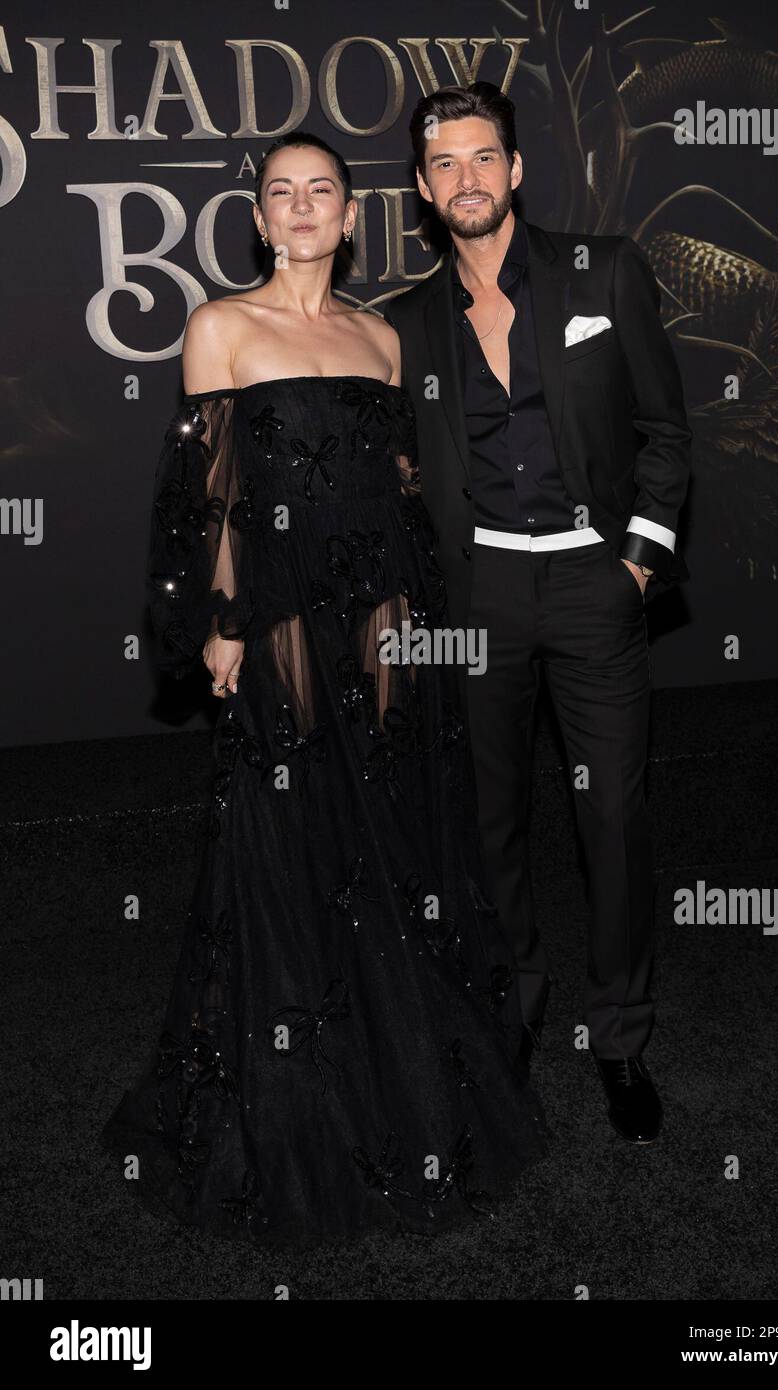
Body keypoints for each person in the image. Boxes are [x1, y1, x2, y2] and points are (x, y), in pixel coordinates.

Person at [100, 131, 549, 1251]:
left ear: (352, 219)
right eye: (279, 194)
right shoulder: (219, 327)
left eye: (321, 193)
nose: (300, 209)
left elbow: (400, 487)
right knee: (289, 844)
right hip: (283, 615)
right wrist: (218, 619)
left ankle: (400, 1083)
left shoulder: (381, 337)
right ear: (259, 220)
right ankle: (297, 1098)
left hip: (387, 615)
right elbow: (211, 492)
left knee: (390, 848)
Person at [383, 83, 692, 1144]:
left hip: (591, 584)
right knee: (487, 824)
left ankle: (618, 1042)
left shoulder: (601, 270)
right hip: (476, 601)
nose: (464, 178)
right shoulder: (406, 324)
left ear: (514, 170)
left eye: (482, 158)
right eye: (443, 166)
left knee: (610, 816)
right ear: (422, 191)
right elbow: (395, 479)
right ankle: (508, 1018)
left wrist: (637, 566)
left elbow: (663, 429)